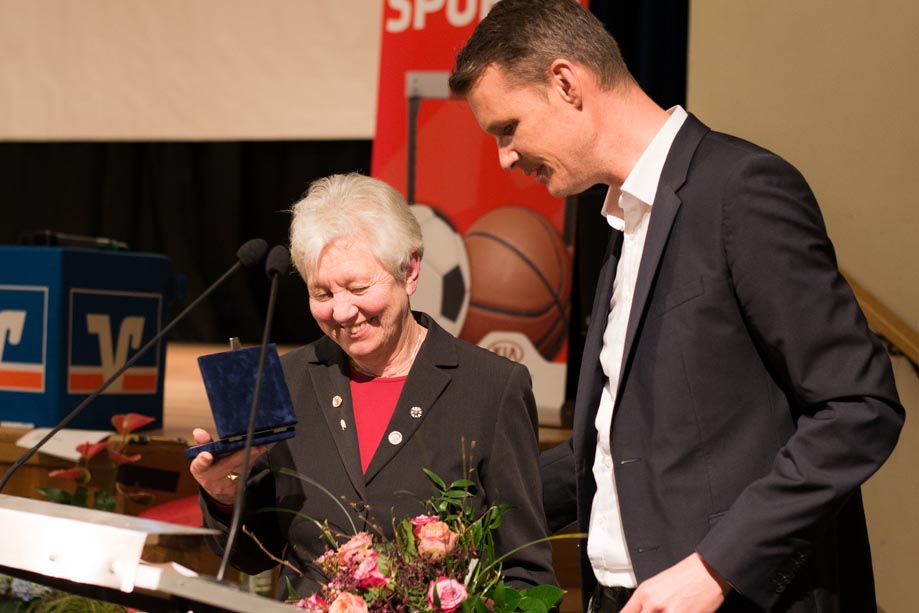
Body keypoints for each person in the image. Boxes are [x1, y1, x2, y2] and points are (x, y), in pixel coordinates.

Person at [449, 1, 905, 612]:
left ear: (565, 83)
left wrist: (716, 568)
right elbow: (620, 450)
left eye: (507, 127)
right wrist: (458, 507)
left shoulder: (740, 191)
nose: (505, 156)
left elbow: (859, 407)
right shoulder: (622, 222)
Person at [188, 173, 556, 599]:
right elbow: (254, 556)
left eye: (358, 287)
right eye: (321, 293)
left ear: (410, 271)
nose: (342, 311)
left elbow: (526, 574)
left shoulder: (491, 388)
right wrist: (224, 497)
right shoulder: (285, 380)